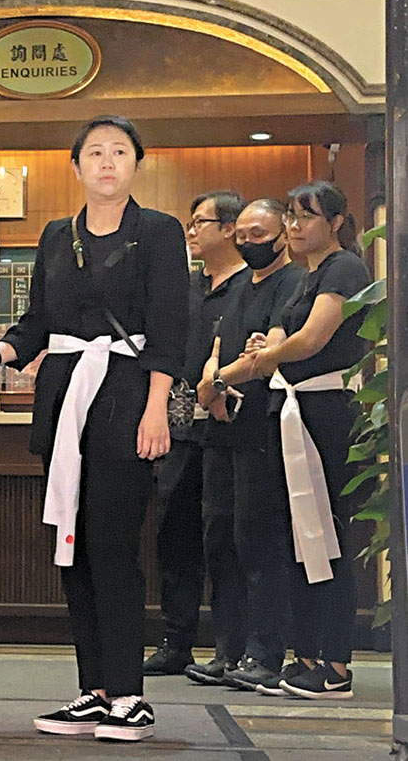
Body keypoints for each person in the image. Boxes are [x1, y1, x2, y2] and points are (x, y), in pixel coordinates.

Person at [0, 116, 188, 742]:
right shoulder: (55, 234)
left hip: (127, 395)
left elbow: (170, 328)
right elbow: (36, 323)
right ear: (76, 167)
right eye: (94, 152)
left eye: (119, 152)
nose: (106, 162)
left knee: (113, 545)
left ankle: (128, 693)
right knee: (72, 546)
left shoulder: (159, 232)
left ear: (136, 164)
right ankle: (93, 690)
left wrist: (157, 407)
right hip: (64, 398)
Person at [247, 181, 369, 700]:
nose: (295, 227)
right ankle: (306, 657)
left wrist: (268, 356)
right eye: (290, 217)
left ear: (336, 222)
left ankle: (335, 663)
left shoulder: (345, 268)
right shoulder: (304, 277)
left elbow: (312, 339)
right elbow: (281, 334)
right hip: (292, 408)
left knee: (328, 535)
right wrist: (269, 349)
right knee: (295, 537)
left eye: (307, 216)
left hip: (326, 411)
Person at [194, 199, 305, 691]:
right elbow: (219, 351)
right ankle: (229, 651)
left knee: (258, 541)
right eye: (241, 235)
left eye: (258, 234)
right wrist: (213, 384)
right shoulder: (239, 286)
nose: (248, 243)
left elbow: (264, 357)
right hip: (221, 429)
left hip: (263, 427)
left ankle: (265, 652)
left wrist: (217, 381)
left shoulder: (292, 283)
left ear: (282, 233)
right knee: (220, 538)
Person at [144, 191, 249, 677]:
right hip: (180, 424)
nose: (191, 231)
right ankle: (176, 639)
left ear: (230, 229)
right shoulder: (185, 286)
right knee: (174, 534)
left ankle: (232, 648)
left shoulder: (250, 284)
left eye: (200, 222)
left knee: (224, 537)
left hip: (229, 425)